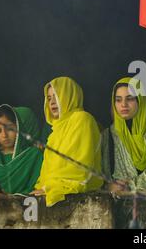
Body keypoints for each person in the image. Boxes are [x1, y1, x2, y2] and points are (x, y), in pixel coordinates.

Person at [31, 76, 103, 206]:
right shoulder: (55, 131)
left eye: (57, 96)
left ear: (70, 96)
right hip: (53, 192)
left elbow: (79, 168)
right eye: (49, 98)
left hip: (82, 198)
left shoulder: (83, 119)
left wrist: (50, 187)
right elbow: (47, 171)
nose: (52, 102)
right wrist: (42, 187)